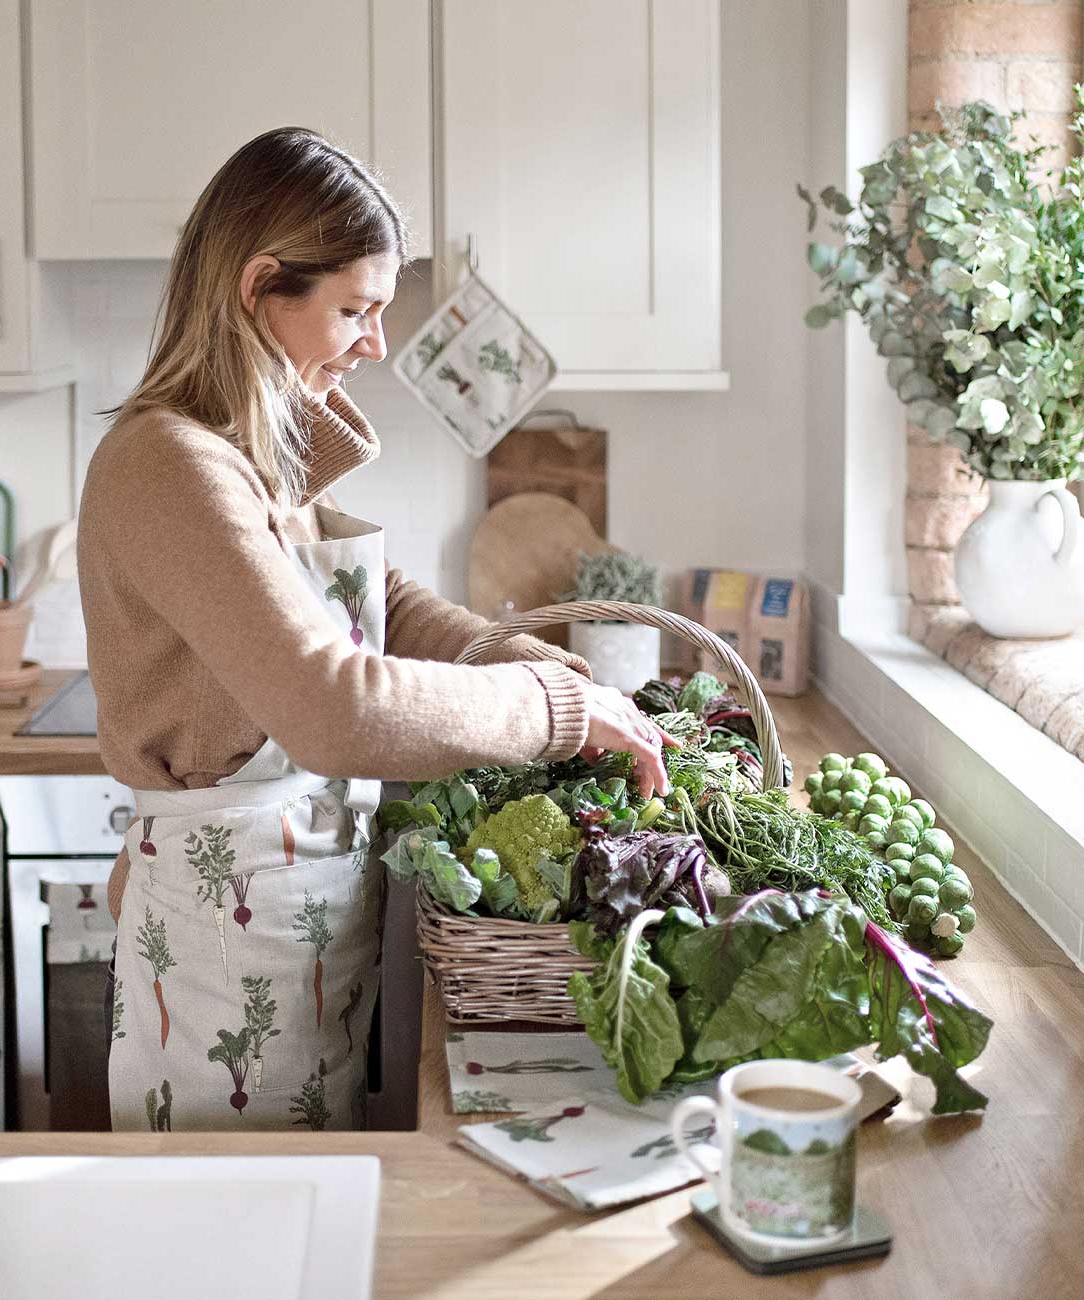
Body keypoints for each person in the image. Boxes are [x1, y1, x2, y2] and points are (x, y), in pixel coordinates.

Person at [77, 127, 670, 1131]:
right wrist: (554, 710)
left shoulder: (246, 453)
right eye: (354, 308)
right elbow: (331, 705)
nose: (375, 343)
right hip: (233, 933)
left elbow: (382, 608)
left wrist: (545, 667)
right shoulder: (170, 465)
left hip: (285, 905)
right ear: (261, 285)